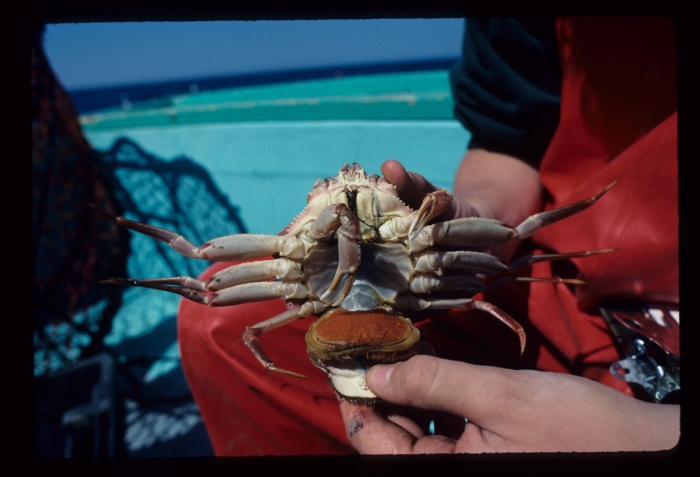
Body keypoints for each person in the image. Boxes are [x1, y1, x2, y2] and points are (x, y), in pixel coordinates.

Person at [177, 16, 678, 454]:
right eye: (333, 191)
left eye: (362, 189)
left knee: (511, 276)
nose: (350, 197)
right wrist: (481, 218)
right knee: (215, 321)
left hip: (630, 299)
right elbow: (508, 139)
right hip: (580, 283)